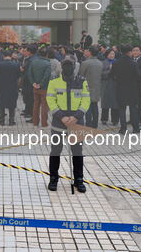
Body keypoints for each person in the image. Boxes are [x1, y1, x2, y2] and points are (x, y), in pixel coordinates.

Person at [46, 54, 90, 193]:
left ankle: (79, 179)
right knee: (55, 151)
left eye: (70, 64)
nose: (67, 67)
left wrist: (76, 117)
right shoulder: (54, 82)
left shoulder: (82, 81)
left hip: (77, 121)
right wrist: (62, 117)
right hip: (59, 122)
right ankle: (53, 178)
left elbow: (86, 101)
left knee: (77, 151)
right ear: (61, 66)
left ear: (75, 65)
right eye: (65, 64)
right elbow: (51, 101)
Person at [109, 44, 141, 134]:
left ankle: (123, 128)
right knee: (133, 109)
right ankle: (135, 128)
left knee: (122, 109)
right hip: (132, 89)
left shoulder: (116, 63)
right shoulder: (133, 63)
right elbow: (138, 76)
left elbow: (111, 74)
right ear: (130, 52)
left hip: (120, 88)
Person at [0, 50, 21, 125]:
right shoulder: (15, 65)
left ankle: (1, 120)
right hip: (12, 86)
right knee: (12, 104)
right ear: (11, 55)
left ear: (4, 56)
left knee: (1, 104)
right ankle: (11, 121)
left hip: (1, 86)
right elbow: (18, 75)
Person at [78, 46, 103, 128]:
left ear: (90, 52)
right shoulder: (100, 63)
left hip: (87, 87)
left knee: (88, 107)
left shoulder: (85, 63)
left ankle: (88, 124)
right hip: (97, 87)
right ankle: (95, 124)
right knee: (95, 106)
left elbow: (81, 75)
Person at [28, 47, 52, 128]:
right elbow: (47, 76)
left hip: (35, 88)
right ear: (47, 55)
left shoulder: (33, 62)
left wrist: (33, 83)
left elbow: (29, 73)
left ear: (39, 54)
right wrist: (41, 84)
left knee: (36, 105)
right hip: (44, 88)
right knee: (44, 106)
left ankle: (35, 123)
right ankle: (44, 124)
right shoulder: (48, 64)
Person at [100, 49, 119, 125]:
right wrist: (109, 71)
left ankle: (115, 120)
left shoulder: (117, 62)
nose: (112, 55)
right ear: (107, 55)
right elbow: (101, 74)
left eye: (113, 54)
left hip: (116, 84)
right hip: (106, 84)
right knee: (105, 102)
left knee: (115, 104)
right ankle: (104, 119)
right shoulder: (103, 63)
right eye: (110, 54)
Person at [20, 45, 38, 120]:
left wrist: (24, 80)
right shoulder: (35, 58)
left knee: (30, 98)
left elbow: (28, 72)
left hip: (30, 82)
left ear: (29, 52)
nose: (25, 52)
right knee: (28, 98)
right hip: (33, 81)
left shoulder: (31, 60)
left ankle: (31, 113)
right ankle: (28, 111)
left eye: (26, 51)